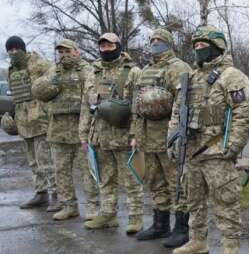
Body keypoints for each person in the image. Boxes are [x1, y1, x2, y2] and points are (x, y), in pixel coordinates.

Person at [169, 25, 249, 254]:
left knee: (225, 199)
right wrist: (172, 140)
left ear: (217, 46)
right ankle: (197, 240)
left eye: (203, 45)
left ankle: (230, 246)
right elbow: (176, 112)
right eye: (195, 46)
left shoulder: (232, 76)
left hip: (216, 149)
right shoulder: (190, 78)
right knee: (193, 198)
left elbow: (244, 113)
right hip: (191, 149)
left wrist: (233, 146)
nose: (198, 49)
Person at [132, 29, 192, 247]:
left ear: (168, 43)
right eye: (153, 40)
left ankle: (182, 227)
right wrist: (136, 134)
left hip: (168, 135)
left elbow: (183, 101)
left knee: (176, 182)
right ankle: (160, 224)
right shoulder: (145, 70)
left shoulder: (178, 67)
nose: (155, 43)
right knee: (155, 182)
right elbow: (136, 105)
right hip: (148, 137)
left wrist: (178, 133)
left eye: (160, 40)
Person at [79, 33, 144, 234]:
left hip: (124, 136)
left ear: (118, 46)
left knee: (131, 178)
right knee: (105, 179)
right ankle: (108, 215)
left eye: (109, 46)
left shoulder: (132, 72)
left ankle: (135, 218)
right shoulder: (94, 73)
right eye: (102, 46)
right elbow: (85, 106)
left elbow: (139, 106)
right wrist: (83, 135)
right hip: (100, 136)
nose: (106, 49)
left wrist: (136, 134)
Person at [31, 39, 99, 221]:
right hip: (58, 130)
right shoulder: (53, 71)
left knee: (87, 171)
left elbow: (92, 99)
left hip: (80, 129)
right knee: (61, 170)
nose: (64, 55)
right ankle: (69, 206)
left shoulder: (87, 70)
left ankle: (93, 207)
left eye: (67, 51)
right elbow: (41, 97)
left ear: (77, 51)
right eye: (60, 52)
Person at [4, 35, 59, 212]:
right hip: (23, 120)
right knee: (33, 161)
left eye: (16, 49)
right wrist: (11, 115)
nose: (13, 52)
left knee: (46, 160)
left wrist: (46, 107)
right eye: (10, 50)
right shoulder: (11, 69)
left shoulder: (38, 63)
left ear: (23, 48)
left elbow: (55, 80)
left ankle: (57, 195)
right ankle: (41, 193)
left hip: (40, 120)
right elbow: (16, 95)